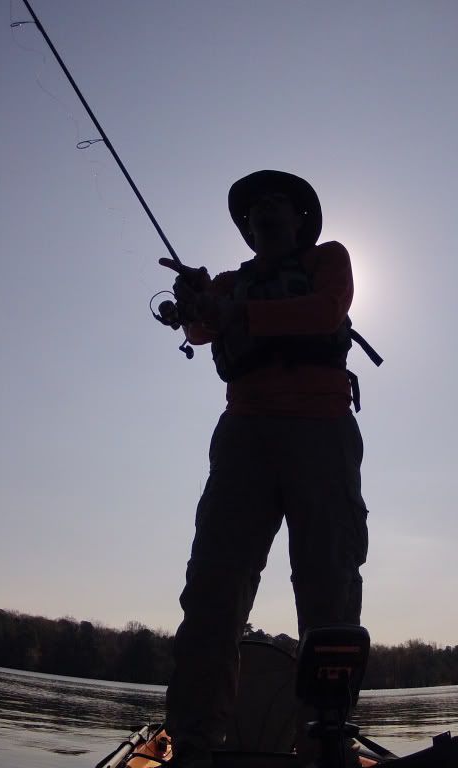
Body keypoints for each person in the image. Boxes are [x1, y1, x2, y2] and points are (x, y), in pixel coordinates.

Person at [159, 170, 373, 767]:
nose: (264, 210)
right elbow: (201, 325)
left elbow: (327, 310)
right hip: (244, 438)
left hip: (322, 433)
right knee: (213, 589)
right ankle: (194, 742)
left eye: (277, 202)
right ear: (246, 230)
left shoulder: (330, 259)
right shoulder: (230, 283)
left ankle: (327, 739)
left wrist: (236, 313)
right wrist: (199, 301)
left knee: (328, 583)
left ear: (301, 219)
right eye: (254, 208)